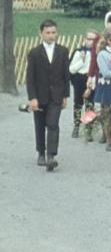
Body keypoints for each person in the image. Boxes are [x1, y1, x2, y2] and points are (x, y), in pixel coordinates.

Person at [26, 19, 71, 171]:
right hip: (40, 95)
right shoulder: (34, 53)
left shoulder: (63, 51)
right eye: (48, 33)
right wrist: (32, 98)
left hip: (56, 95)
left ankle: (51, 156)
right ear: (41, 34)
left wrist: (65, 96)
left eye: (53, 32)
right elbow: (30, 77)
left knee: (53, 124)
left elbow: (66, 75)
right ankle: (41, 152)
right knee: (40, 125)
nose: (51, 35)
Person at [69, 30, 97, 141]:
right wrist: (82, 60)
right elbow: (71, 69)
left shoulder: (97, 53)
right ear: (84, 39)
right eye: (89, 39)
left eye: (94, 40)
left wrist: (91, 85)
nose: (91, 42)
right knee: (78, 103)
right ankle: (76, 125)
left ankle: (88, 128)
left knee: (90, 104)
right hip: (79, 79)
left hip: (91, 79)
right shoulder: (78, 52)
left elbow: (96, 70)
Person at [94, 31, 111, 151]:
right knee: (107, 112)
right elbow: (105, 72)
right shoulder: (102, 54)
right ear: (109, 40)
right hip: (107, 85)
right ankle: (108, 138)